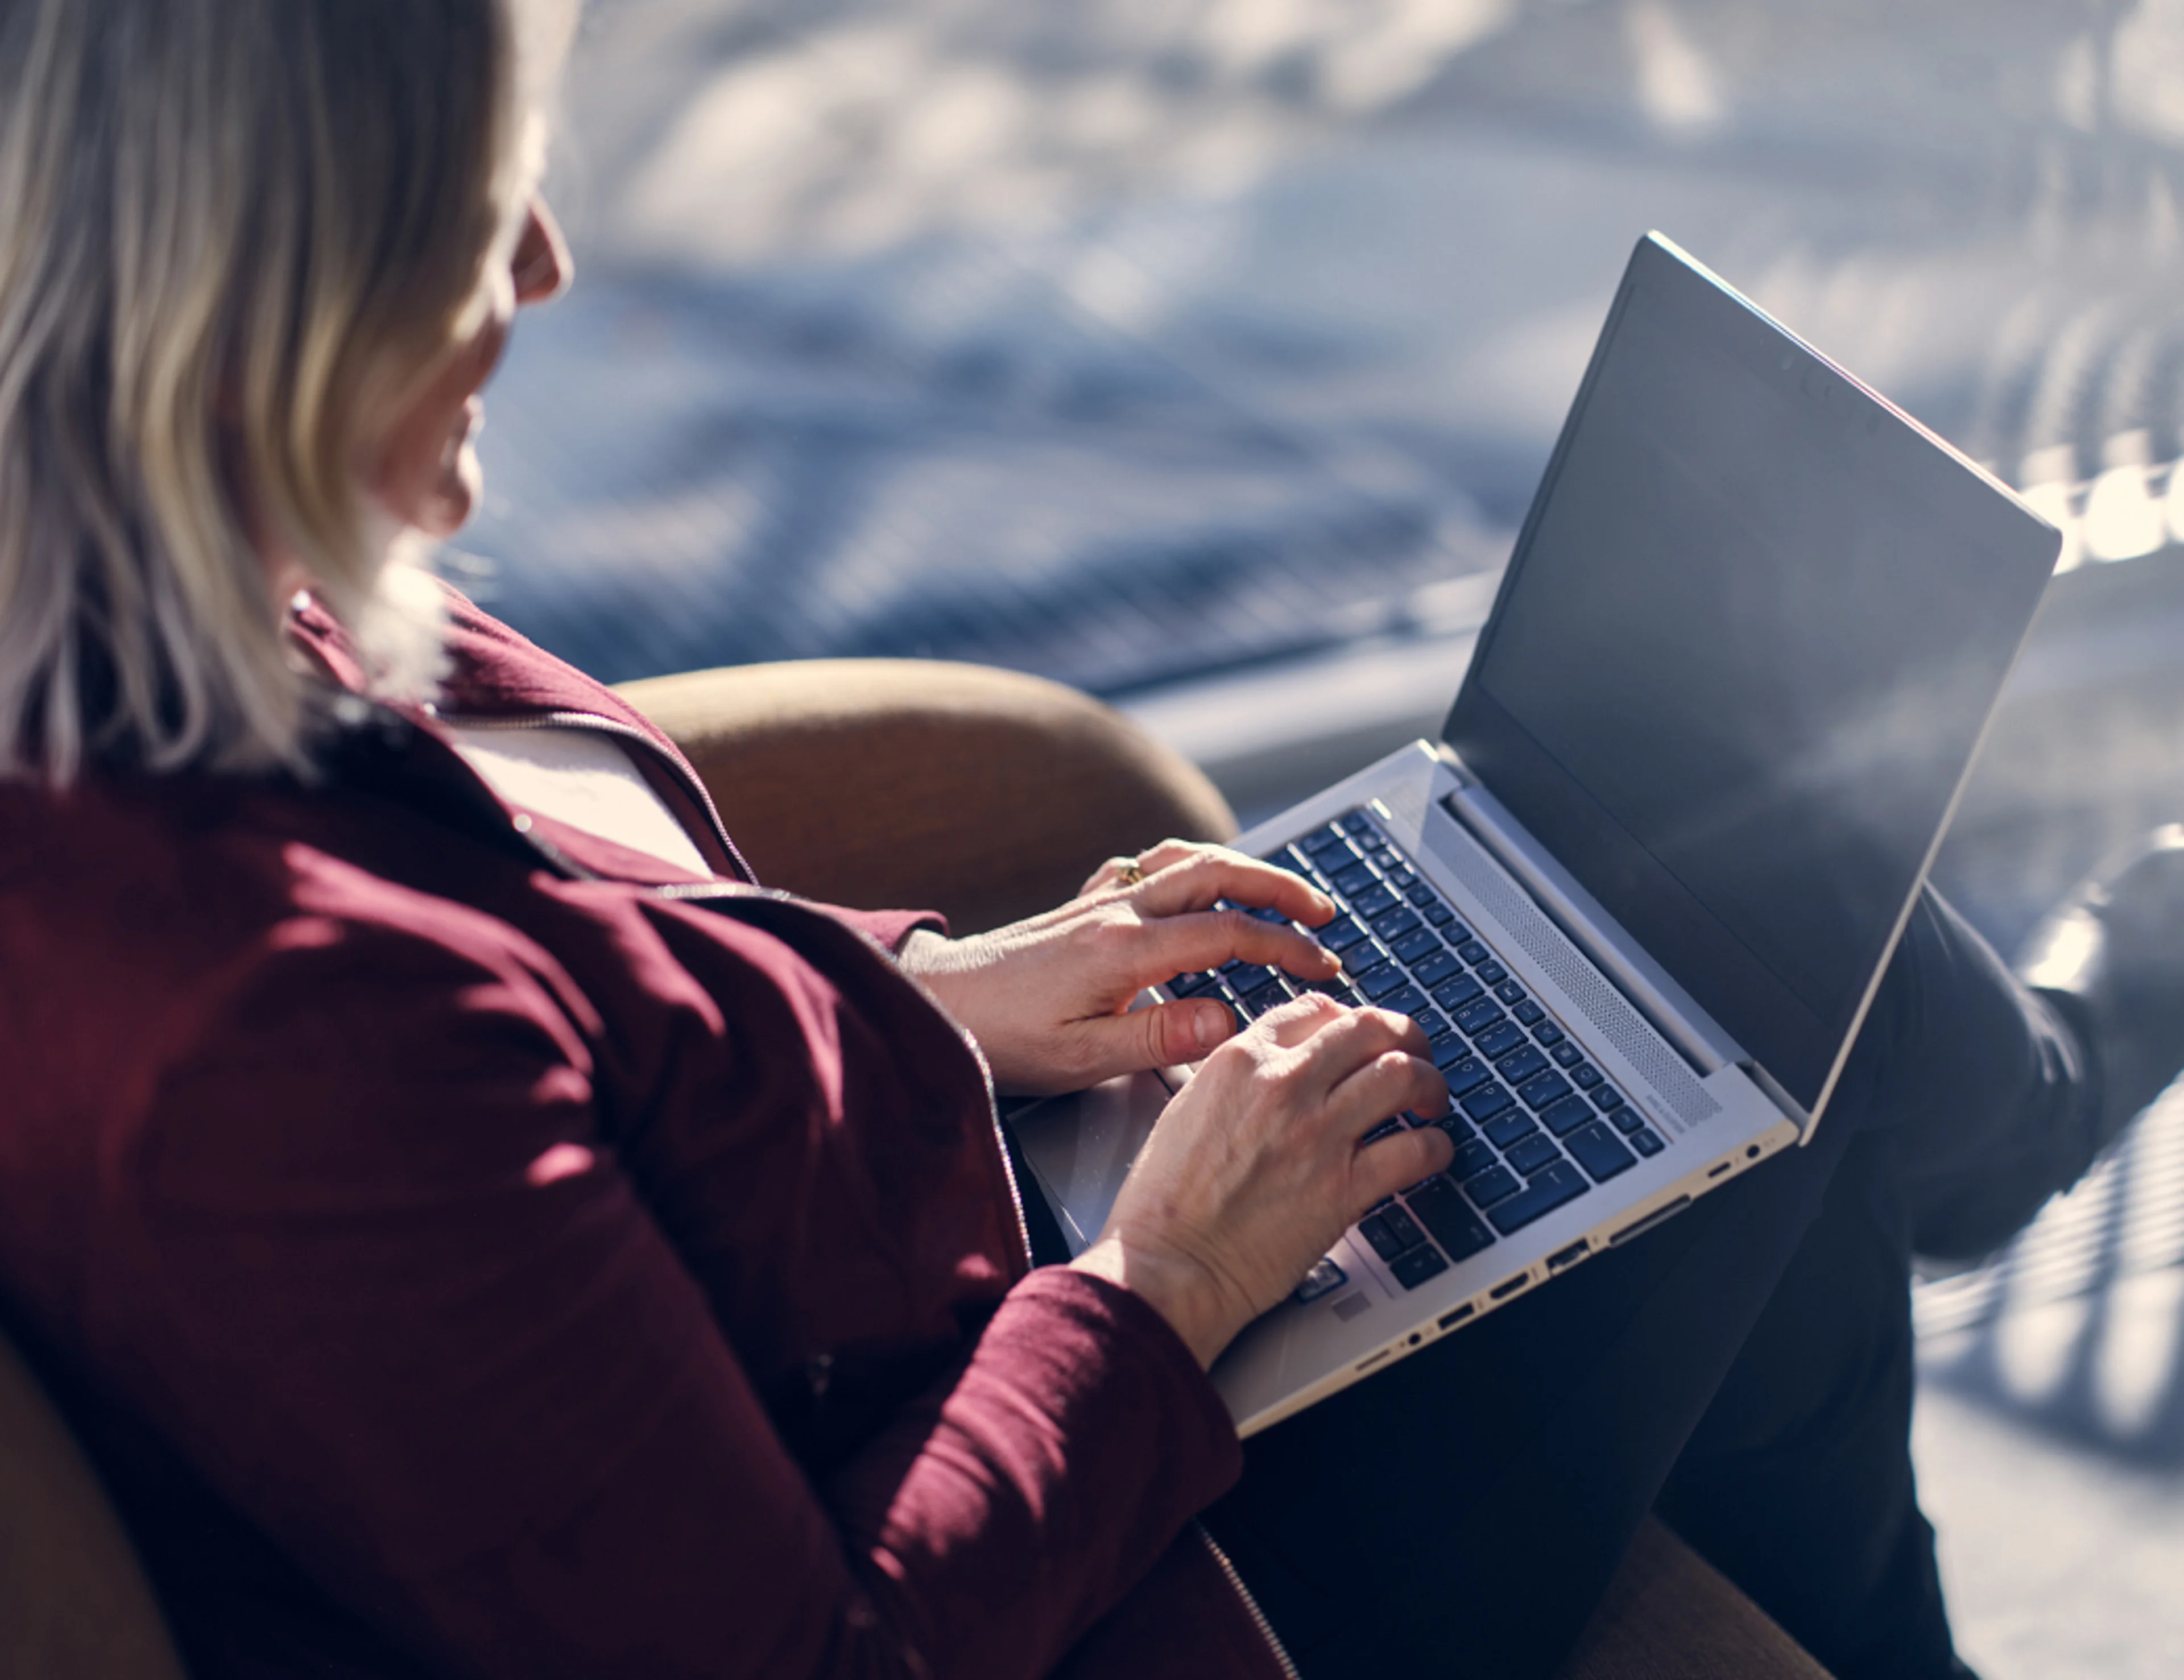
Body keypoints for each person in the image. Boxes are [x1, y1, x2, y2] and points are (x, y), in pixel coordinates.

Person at [0, 3, 2171, 1677]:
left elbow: (583, 991)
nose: (549, 265)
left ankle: (2009, 1164)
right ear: (253, 291)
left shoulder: (178, 603)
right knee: (1715, 1030)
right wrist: (1173, 1281)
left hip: (950, 1293)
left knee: (1662, 1042)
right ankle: (2049, 1099)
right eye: (482, 218)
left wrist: (930, 1000)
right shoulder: (268, 1044)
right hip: (1134, 1580)